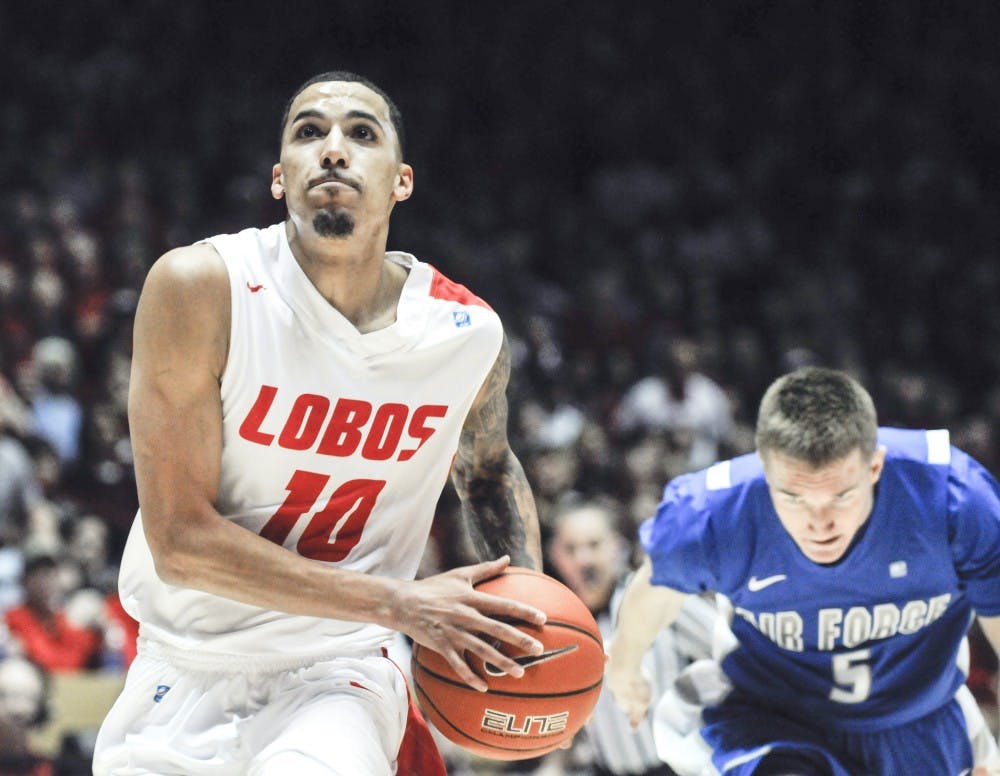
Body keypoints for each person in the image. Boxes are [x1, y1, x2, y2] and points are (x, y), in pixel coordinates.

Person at [93, 70, 547, 775]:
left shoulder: (465, 334)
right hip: (178, 670)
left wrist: (528, 631)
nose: (333, 148)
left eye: (361, 134)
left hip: (340, 672)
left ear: (402, 180)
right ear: (280, 178)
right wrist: (402, 603)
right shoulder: (201, 287)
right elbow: (180, 541)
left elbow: (488, 469)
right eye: (310, 132)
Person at [607, 366, 1000, 775]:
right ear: (765, 470)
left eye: (841, 496)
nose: (819, 522)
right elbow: (657, 585)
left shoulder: (955, 499)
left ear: (875, 467)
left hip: (918, 718)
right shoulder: (715, 512)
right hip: (769, 719)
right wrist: (625, 665)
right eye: (794, 498)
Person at [545, 498, 717, 776]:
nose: (583, 559)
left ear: (617, 546)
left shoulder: (655, 597)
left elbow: (731, 648)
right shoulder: (558, 624)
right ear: (555, 555)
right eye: (570, 549)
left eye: (593, 545)